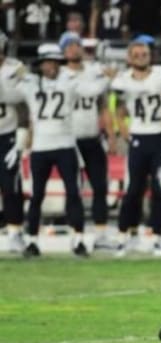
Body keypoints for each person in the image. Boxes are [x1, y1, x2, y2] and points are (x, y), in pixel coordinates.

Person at [11, 44, 91, 257]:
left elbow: (91, 89)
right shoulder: (30, 83)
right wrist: (17, 70)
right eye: (48, 62)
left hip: (65, 145)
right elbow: (9, 89)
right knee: (37, 195)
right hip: (40, 146)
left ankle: (79, 240)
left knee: (73, 193)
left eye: (55, 62)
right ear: (41, 65)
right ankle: (32, 241)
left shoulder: (69, 81)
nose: (52, 66)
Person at [110, 40, 161, 256]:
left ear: (150, 55)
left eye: (144, 53)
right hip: (138, 137)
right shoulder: (122, 80)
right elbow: (118, 110)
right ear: (129, 57)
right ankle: (125, 234)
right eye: (136, 54)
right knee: (134, 189)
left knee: (159, 188)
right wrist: (123, 132)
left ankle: (158, 236)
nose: (141, 57)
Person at [58, 31, 116, 251]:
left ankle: (100, 234)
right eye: (69, 45)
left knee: (100, 186)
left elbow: (103, 106)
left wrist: (111, 135)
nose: (74, 48)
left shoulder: (93, 72)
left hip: (92, 137)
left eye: (76, 44)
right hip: (68, 139)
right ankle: (77, 234)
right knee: (74, 189)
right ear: (63, 51)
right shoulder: (59, 74)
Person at [0, 30, 27, 253]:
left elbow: (25, 100)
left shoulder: (16, 68)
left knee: (11, 186)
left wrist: (21, 139)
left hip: (8, 135)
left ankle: (15, 233)